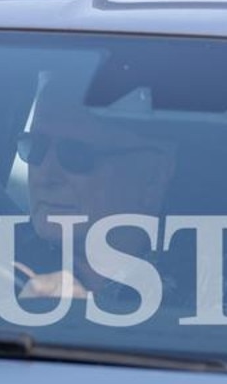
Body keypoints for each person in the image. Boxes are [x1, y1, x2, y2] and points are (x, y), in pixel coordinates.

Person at [10, 74, 178, 300]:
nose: (44, 176)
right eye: (35, 147)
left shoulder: (213, 290)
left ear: (154, 178)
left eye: (76, 154)